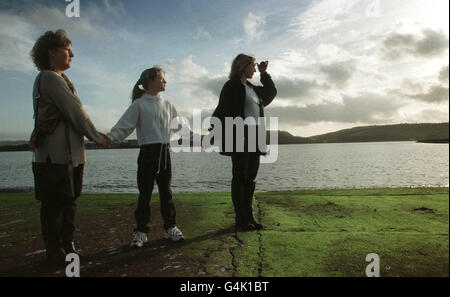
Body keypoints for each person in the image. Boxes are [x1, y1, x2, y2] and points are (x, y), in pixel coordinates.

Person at [29, 29, 109, 265]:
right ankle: (55, 251)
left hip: (71, 156)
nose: (72, 54)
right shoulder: (49, 77)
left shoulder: (60, 79)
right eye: (67, 50)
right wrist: (97, 137)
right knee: (55, 206)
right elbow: (75, 111)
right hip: (55, 158)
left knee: (69, 202)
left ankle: (67, 245)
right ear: (52, 52)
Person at [106, 67, 189, 248]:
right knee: (144, 194)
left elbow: (183, 129)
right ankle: (141, 232)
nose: (165, 82)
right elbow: (124, 127)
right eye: (161, 78)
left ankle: (170, 228)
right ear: (150, 81)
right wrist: (109, 138)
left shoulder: (169, 105)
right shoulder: (139, 104)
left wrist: (203, 139)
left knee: (166, 193)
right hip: (147, 154)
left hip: (164, 153)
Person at [210, 54, 277, 231]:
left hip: (255, 136)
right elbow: (222, 110)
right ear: (243, 66)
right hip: (239, 134)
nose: (254, 69)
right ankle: (241, 219)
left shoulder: (253, 89)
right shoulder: (231, 86)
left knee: (251, 179)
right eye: (253, 66)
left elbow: (271, 93)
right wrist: (216, 131)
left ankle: (249, 216)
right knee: (240, 178)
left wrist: (264, 74)